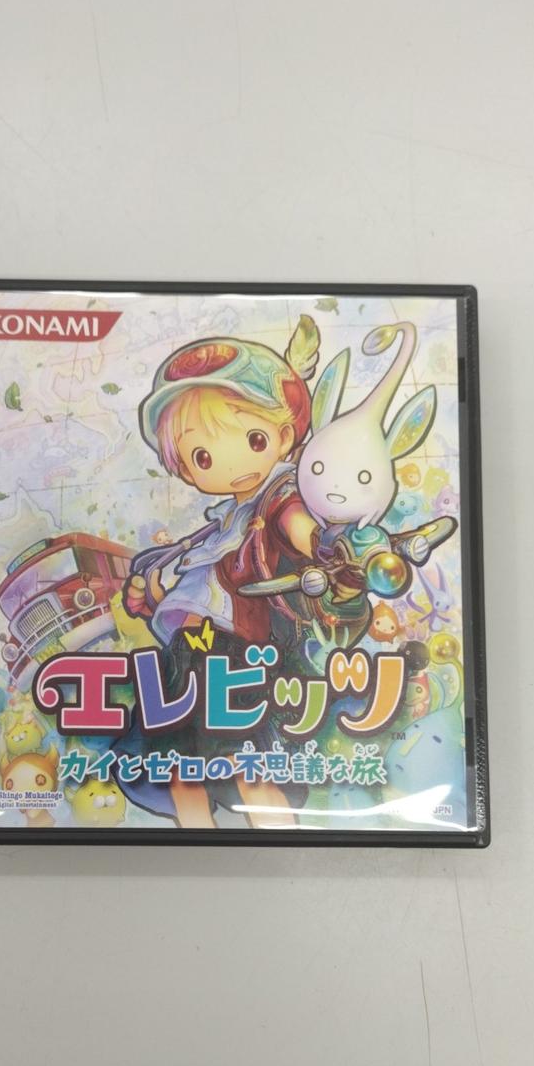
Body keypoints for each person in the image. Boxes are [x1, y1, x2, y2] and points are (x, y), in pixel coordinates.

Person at [120, 324, 323, 829]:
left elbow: (301, 530)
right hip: (187, 660)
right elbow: (196, 594)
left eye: (253, 439)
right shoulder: (221, 527)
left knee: (250, 766)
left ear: (283, 435)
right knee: (179, 770)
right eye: (203, 457)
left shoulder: (277, 500)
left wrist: (325, 550)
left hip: (237, 658)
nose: (229, 466)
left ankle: (281, 847)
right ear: (187, 470)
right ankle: (195, 846)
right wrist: (152, 597)